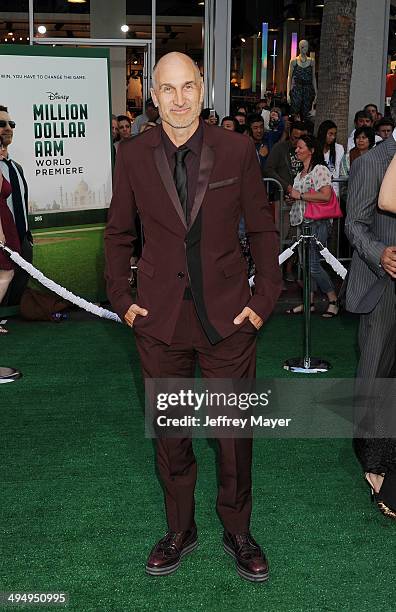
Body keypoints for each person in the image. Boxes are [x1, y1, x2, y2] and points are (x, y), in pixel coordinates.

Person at [104, 51, 282, 581]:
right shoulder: (132, 155)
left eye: (188, 87)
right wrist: (122, 298)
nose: (179, 100)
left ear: (202, 89)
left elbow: (264, 228)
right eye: (168, 89)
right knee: (172, 433)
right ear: (152, 96)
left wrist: (263, 299)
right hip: (158, 322)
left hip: (229, 321)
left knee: (233, 435)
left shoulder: (237, 149)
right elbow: (117, 234)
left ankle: (237, 529)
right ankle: (180, 529)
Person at [344, 90, 396, 521]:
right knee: (376, 370)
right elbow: (355, 224)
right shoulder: (371, 163)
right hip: (383, 284)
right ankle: (373, 463)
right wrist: (380, 253)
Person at [286, 134, 339, 317]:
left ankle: (333, 299)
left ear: (312, 150)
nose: (297, 150)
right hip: (303, 223)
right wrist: (293, 197)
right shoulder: (301, 172)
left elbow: (325, 195)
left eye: (300, 147)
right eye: (297, 147)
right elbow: (301, 196)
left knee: (313, 265)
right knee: (304, 264)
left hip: (317, 223)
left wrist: (298, 195)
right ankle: (309, 302)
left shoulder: (320, 170)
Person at [0, 105, 32, 307]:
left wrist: (28, 238)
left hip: (22, 241)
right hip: (2, 242)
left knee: (16, 293)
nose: (8, 128)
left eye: (11, 124)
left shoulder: (17, 167)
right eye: (1, 124)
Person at [0, 137, 21, 333]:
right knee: (7, 272)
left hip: (5, 220)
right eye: (2, 147)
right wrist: (0, 233)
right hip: (2, 224)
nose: (5, 151)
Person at [316, 120, 344, 198]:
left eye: (335, 134)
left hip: (334, 192)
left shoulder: (339, 148)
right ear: (323, 133)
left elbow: (338, 169)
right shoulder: (315, 148)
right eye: (330, 134)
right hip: (318, 192)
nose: (333, 137)